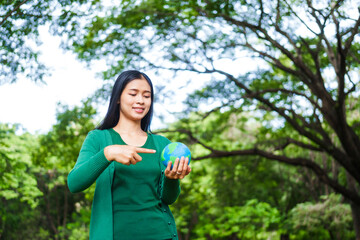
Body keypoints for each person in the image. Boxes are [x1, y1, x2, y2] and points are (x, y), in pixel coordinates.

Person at [67, 70, 191, 240]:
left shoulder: (162, 144)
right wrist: (108, 153)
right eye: (133, 94)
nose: (140, 100)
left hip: (161, 234)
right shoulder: (98, 138)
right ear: (118, 98)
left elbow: (168, 199)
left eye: (146, 96)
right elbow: (74, 183)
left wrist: (172, 179)